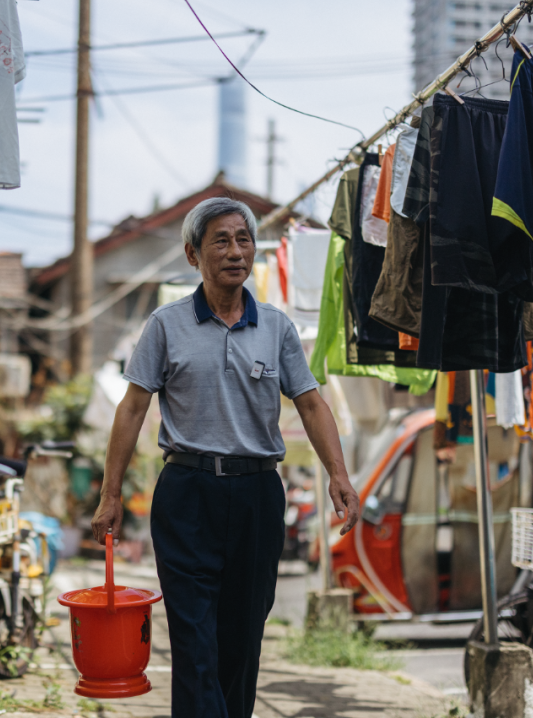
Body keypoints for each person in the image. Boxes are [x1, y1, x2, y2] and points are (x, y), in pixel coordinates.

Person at [91, 197, 359, 718]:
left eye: (243, 239)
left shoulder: (277, 327)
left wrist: (338, 475)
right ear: (193, 254)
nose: (236, 251)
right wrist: (110, 494)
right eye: (221, 241)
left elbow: (310, 403)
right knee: (194, 638)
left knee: (242, 637)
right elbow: (132, 408)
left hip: (258, 494)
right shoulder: (165, 325)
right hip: (187, 494)